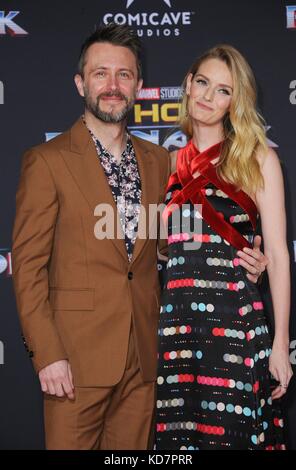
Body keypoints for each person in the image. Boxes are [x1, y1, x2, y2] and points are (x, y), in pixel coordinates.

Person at [12, 24, 267, 450]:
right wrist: (49, 354)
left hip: (148, 359)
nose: (113, 85)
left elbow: (171, 244)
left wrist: (243, 258)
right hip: (75, 361)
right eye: (100, 74)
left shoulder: (158, 161)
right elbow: (28, 267)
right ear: (80, 83)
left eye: (124, 75)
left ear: (139, 86)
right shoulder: (47, 161)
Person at [156, 44, 293, 450]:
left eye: (223, 90)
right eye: (202, 82)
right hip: (178, 326)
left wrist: (280, 346)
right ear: (187, 83)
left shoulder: (257, 158)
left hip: (234, 324)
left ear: (237, 101)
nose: (207, 96)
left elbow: (280, 255)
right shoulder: (167, 162)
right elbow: (165, 247)